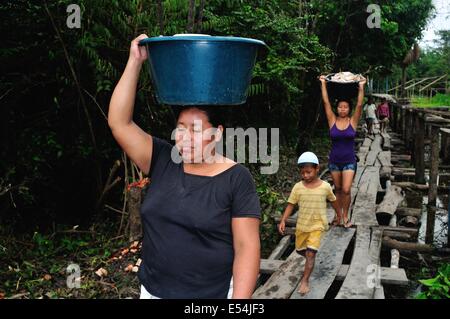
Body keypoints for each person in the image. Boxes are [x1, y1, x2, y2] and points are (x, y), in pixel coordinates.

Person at [108, 34, 261, 299]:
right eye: (180, 129)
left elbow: (246, 247)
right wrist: (135, 62)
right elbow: (119, 123)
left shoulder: (236, 178)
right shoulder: (163, 159)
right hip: (153, 292)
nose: (185, 138)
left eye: (196, 129)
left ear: (217, 134)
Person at [277, 152, 339, 295]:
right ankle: (310, 259)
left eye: (309, 172)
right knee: (300, 250)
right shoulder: (298, 187)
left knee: (310, 254)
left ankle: (305, 280)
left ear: (317, 169)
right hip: (302, 226)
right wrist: (283, 220)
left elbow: (333, 200)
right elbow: (291, 204)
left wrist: (339, 215)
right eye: (303, 172)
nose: (305, 175)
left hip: (318, 226)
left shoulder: (325, 186)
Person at [319, 74, 366, 228]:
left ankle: (345, 216)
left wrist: (361, 86)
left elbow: (359, 105)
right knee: (337, 189)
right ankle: (338, 216)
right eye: (340, 107)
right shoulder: (332, 120)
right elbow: (326, 102)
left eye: (345, 107)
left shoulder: (353, 121)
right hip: (334, 161)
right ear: (337, 108)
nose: (342, 109)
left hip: (349, 161)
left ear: (349, 109)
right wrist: (323, 84)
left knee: (346, 189)